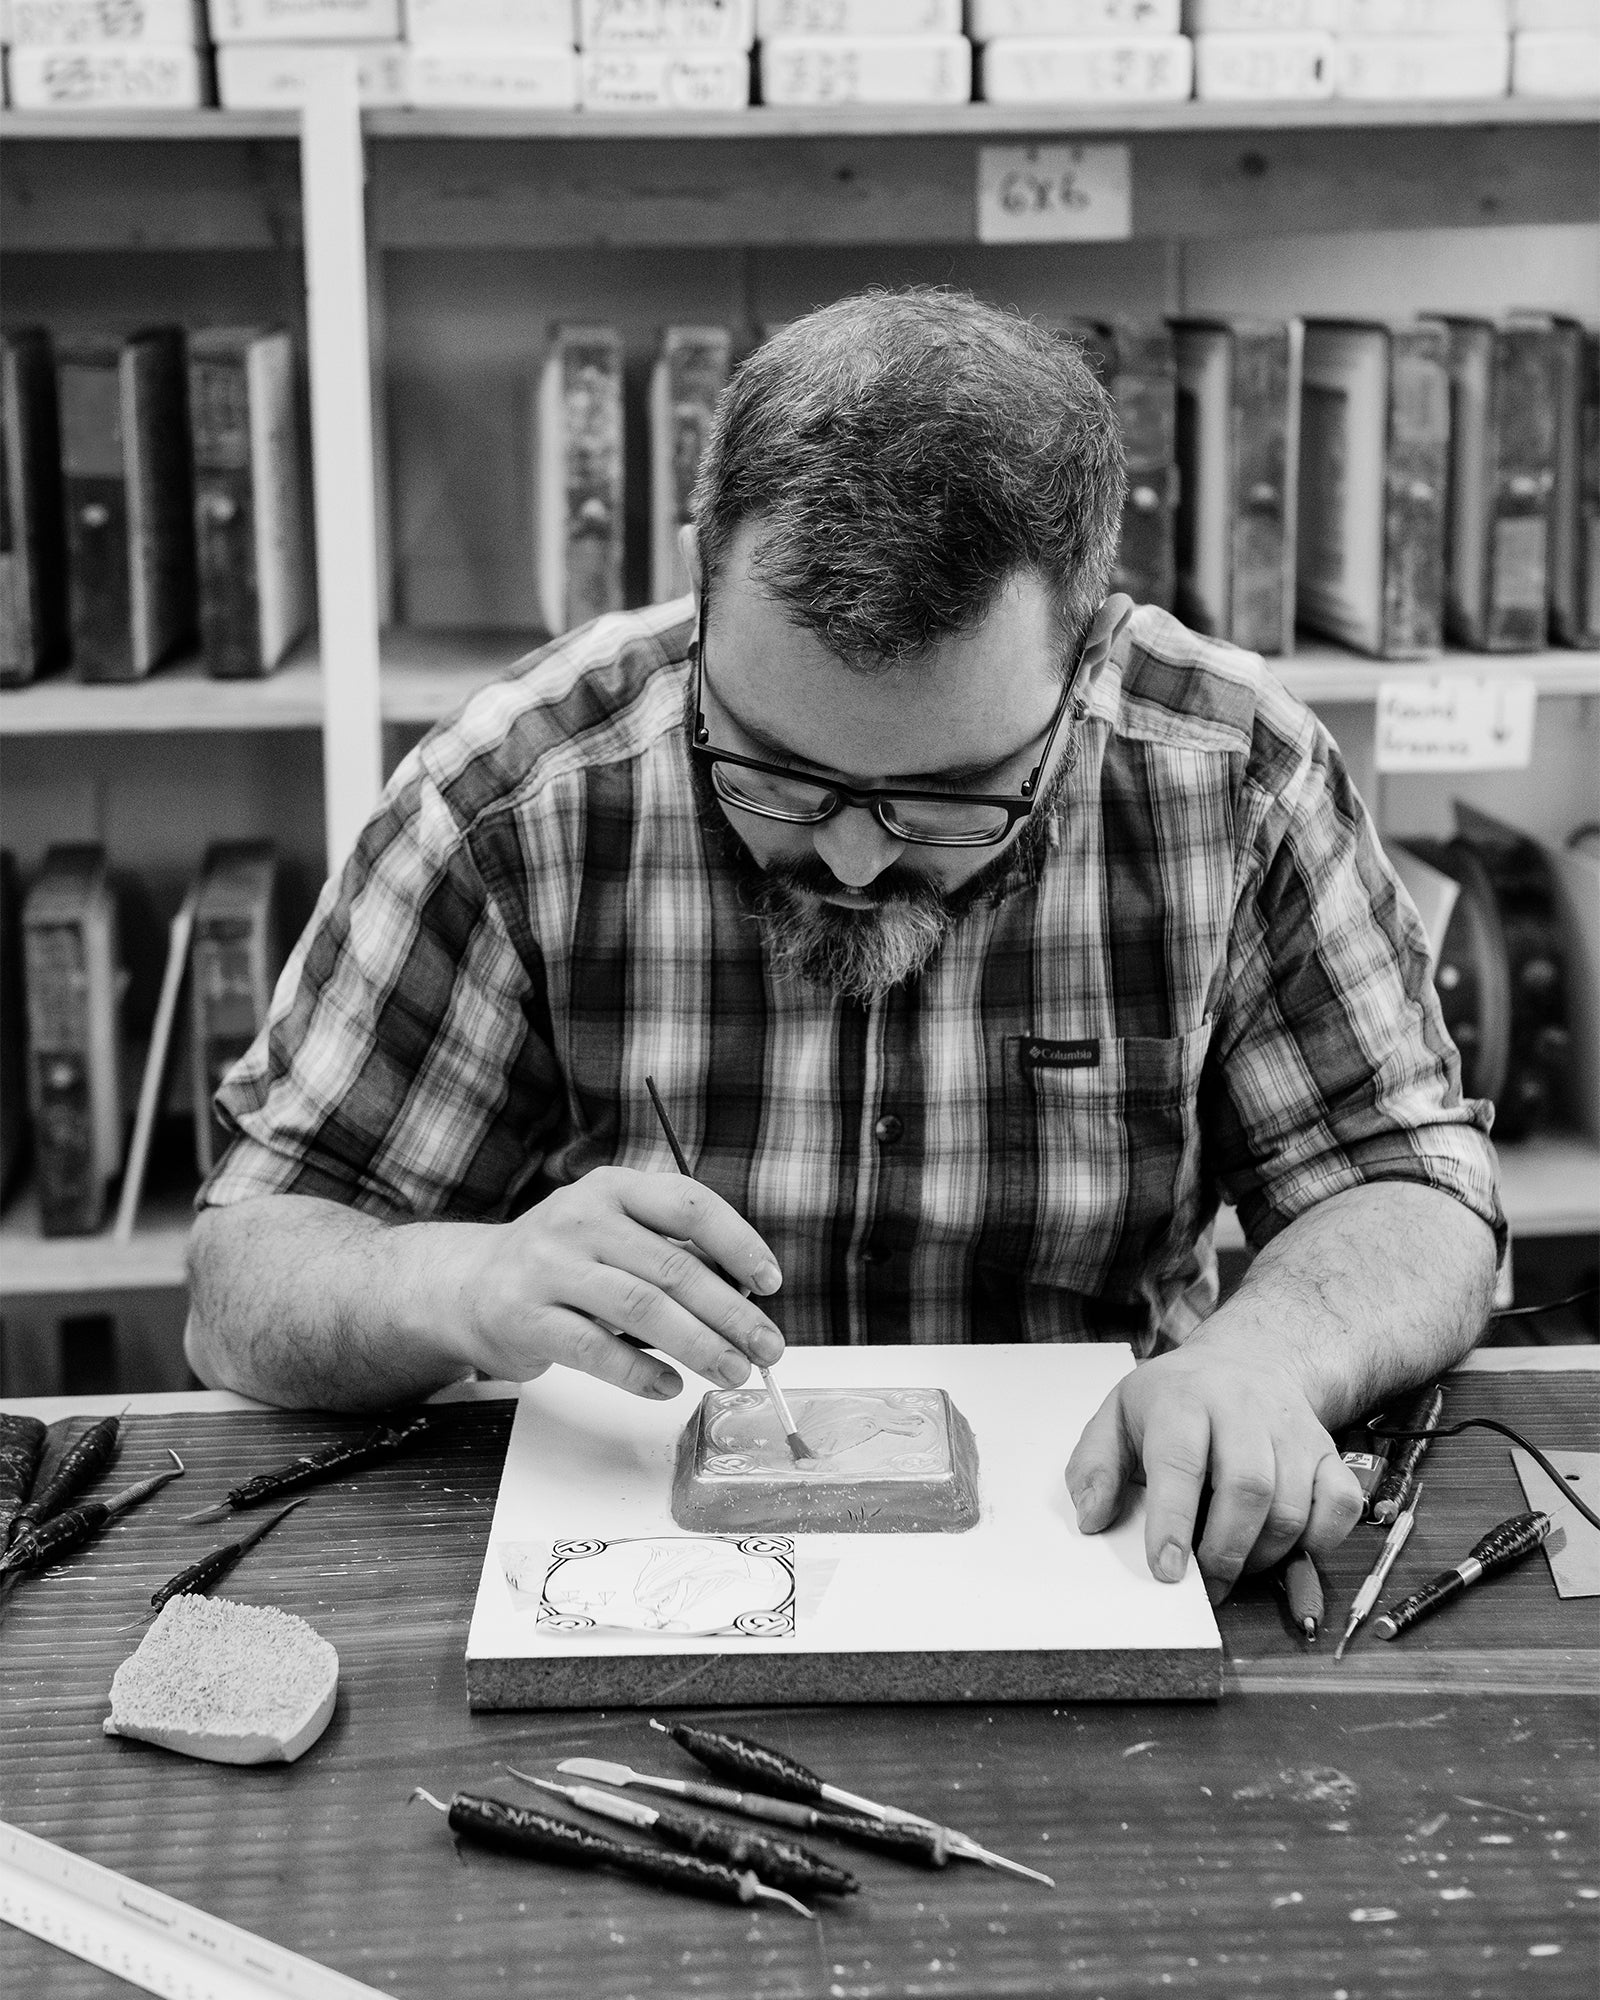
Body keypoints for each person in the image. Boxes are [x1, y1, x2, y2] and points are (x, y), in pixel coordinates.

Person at [186, 288, 1501, 1604]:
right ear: (701, 592)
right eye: (778, 776)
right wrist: (460, 1278)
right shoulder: (520, 794)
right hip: (635, 1553)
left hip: (1095, 1542)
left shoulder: (1233, 777)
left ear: (1085, 646)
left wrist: (1270, 1354)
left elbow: (1413, 1188)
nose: (860, 859)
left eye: (948, 796)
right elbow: (240, 1281)